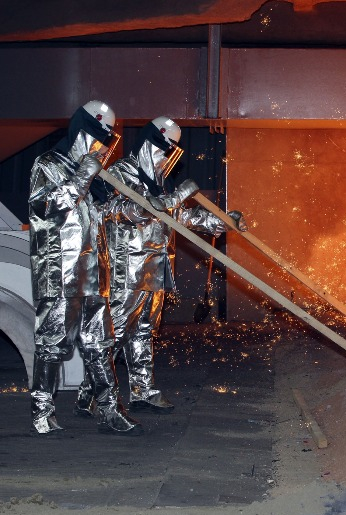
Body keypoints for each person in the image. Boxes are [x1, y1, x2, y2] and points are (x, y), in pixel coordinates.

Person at [74, 116, 247, 416]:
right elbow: (121, 210)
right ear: (147, 145)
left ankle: (143, 391)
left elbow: (181, 217)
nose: (164, 158)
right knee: (112, 334)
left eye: (169, 152)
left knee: (143, 333)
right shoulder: (120, 173)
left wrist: (222, 220)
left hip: (154, 269)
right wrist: (175, 197)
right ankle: (90, 394)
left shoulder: (158, 181)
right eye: (161, 150)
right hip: (126, 269)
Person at [28, 100, 143, 436]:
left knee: (100, 344)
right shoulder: (47, 164)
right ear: (79, 132)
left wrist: (136, 208)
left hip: (94, 275)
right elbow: (46, 206)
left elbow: (107, 212)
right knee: (51, 344)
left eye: (102, 142)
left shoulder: (92, 177)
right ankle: (42, 413)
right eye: (93, 139)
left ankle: (110, 412)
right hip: (59, 271)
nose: (98, 148)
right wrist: (82, 176)